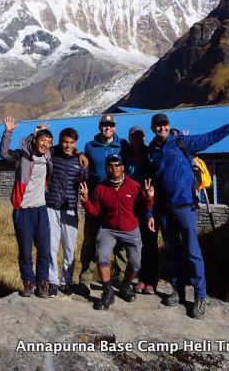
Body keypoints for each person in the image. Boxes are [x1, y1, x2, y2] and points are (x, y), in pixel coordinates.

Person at [149, 104, 229, 319]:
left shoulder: (182, 143)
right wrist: (151, 212)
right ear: (153, 129)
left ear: (169, 126)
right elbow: (151, 185)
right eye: (158, 125)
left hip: (185, 206)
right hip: (164, 210)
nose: (161, 128)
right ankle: (177, 290)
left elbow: (210, 137)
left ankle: (199, 296)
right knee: (172, 251)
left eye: (164, 124)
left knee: (192, 251)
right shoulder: (152, 151)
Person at [79, 154, 154, 310]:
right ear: (106, 168)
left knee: (135, 262)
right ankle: (107, 292)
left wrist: (149, 198)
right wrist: (86, 201)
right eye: (110, 166)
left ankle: (125, 286)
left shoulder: (134, 186)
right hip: (108, 230)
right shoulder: (100, 188)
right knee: (101, 256)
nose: (114, 169)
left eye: (117, 165)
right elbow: (95, 212)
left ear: (123, 167)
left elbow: (143, 209)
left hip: (131, 230)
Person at [0, 116, 54, 299]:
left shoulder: (47, 157)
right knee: (25, 250)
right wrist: (8, 132)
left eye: (48, 142)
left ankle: (42, 284)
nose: (45, 144)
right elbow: (3, 153)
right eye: (42, 140)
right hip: (23, 210)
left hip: (41, 208)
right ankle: (28, 283)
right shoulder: (22, 157)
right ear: (35, 140)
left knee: (45, 249)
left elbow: (67, 148)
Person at [76, 113, 130, 295]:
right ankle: (85, 279)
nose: (108, 128)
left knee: (120, 241)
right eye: (105, 125)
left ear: (115, 127)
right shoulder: (90, 146)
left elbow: (130, 167)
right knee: (90, 240)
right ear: (100, 127)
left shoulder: (123, 145)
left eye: (111, 125)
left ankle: (122, 279)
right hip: (95, 200)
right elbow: (84, 166)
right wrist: (79, 153)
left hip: (116, 201)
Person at [45, 127, 87, 297]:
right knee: (51, 247)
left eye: (71, 143)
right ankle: (53, 281)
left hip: (70, 208)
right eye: (65, 142)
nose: (68, 146)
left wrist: (80, 154)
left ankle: (66, 281)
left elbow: (85, 179)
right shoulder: (52, 156)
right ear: (60, 141)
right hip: (51, 206)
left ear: (75, 143)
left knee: (69, 248)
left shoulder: (81, 162)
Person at [122, 125, 158, 295]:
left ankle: (151, 281)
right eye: (133, 136)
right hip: (132, 205)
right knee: (137, 243)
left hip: (149, 204)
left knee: (150, 243)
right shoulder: (126, 155)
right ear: (129, 138)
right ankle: (141, 279)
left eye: (139, 136)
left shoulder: (151, 153)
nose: (136, 139)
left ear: (144, 138)